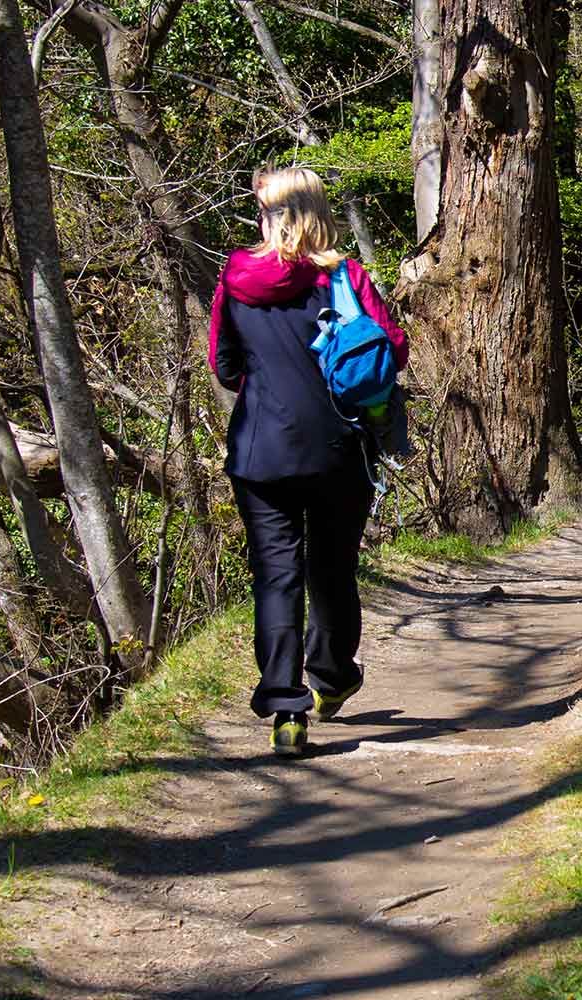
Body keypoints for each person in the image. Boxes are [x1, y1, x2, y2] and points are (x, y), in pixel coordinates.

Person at [207, 167, 408, 757]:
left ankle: (285, 712)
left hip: (259, 452)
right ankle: (332, 674)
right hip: (338, 449)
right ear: (318, 213)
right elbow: (391, 348)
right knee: (332, 568)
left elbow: (224, 366)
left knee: (276, 576)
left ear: (269, 216)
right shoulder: (344, 277)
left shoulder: (236, 279)